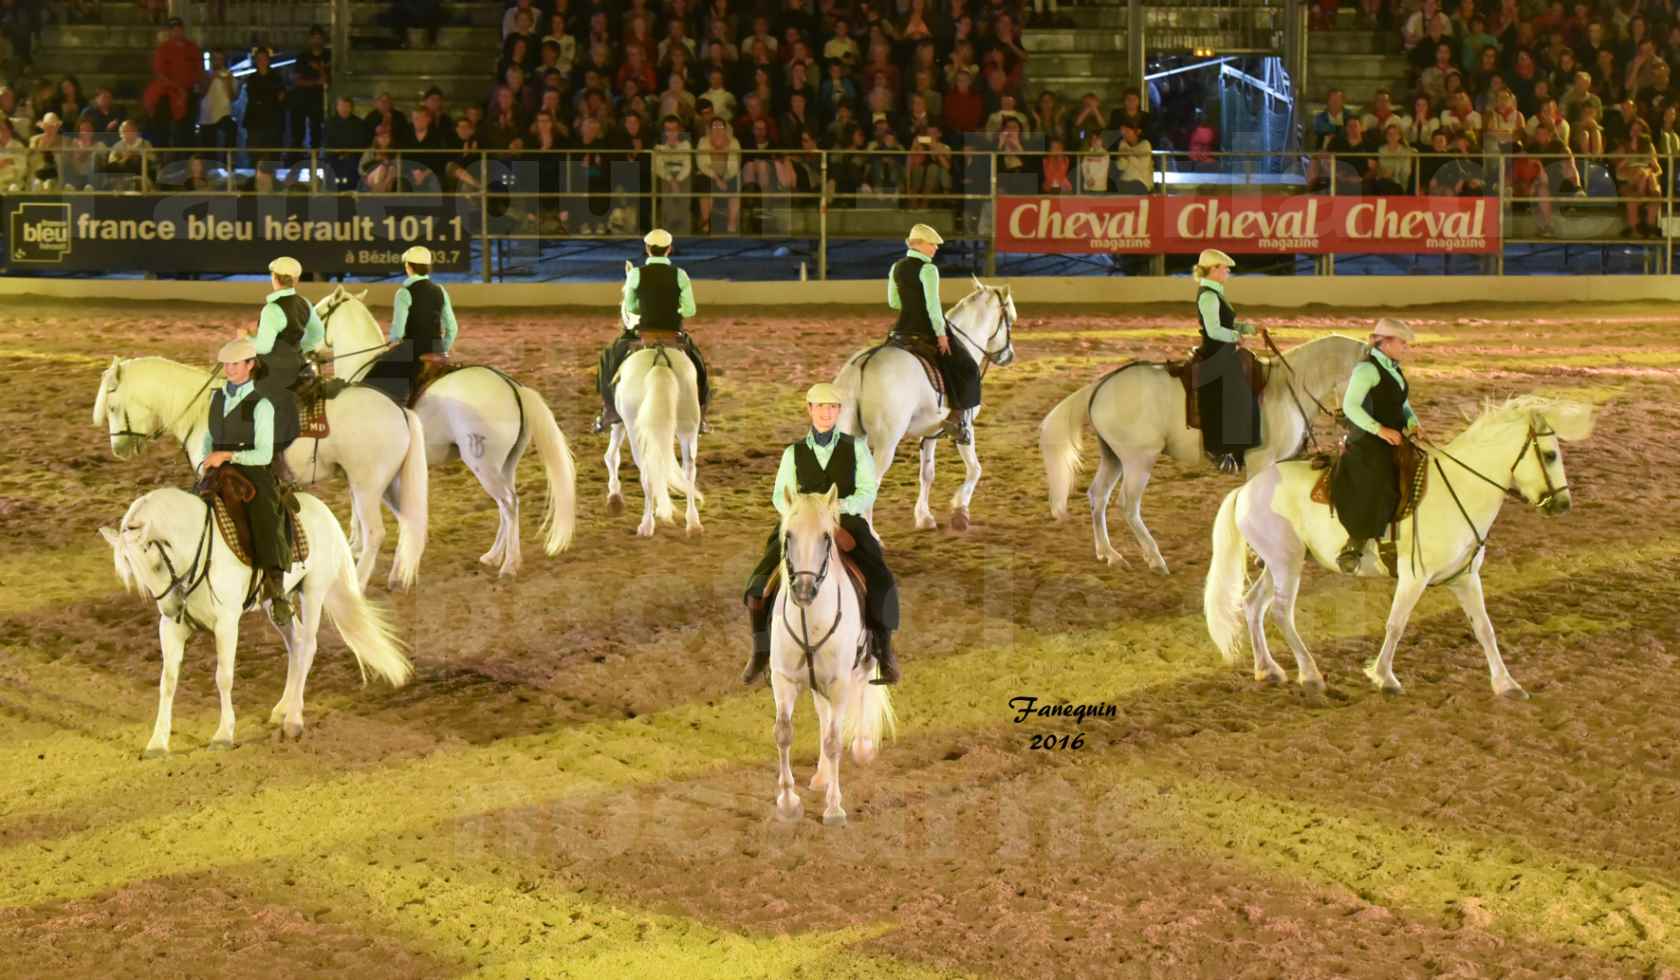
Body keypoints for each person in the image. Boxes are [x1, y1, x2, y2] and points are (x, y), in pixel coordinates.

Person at [740, 382, 900, 686]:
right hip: (800, 522)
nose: (826, 413)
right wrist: (800, 511)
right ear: (809, 410)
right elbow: (779, 495)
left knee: (881, 578)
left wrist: (839, 507)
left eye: (832, 407)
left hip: (845, 521)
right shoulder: (793, 453)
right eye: (820, 407)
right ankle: (760, 652)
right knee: (758, 585)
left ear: (838, 412)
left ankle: (883, 651)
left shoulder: (856, 448)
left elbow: (868, 490)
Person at [199, 337, 296, 624]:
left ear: (251, 365)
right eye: (226, 364)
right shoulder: (217, 398)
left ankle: (277, 589)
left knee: (265, 514)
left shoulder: (262, 405)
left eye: (235, 364)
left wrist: (227, 456)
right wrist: (206, 459)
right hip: (217, 468)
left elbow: (264, 454)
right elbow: (208, 436)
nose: (229, 369)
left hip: (253, 470)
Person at [593, 229, 711, 432]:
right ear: (669, 249)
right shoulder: (680, 274)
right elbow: (690, 309)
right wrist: (675, 310)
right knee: (699, 367)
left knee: (609, 358)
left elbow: (631, 307)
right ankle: (700, 415)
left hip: (644, 334)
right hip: (673, 335)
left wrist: (645, 307)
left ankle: (610, 409)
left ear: (647, 249)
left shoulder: (636, 274)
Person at [1333, 319, 1424, 573]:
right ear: (1385, 343)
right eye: (1402, 342)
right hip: (1368, 441)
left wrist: (1412, 422)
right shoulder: (1367, 370)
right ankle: (1356, 541)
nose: (1406, 347)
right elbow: (1351, 407)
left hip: (1393, 437)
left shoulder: (1392, 368)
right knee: (1378, 481)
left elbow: (1401, 402)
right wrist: (1381, 430)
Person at [887, 223, 979, 444]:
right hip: (925, 330)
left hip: (900, 331)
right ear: (918, 245)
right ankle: (957, 417)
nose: (935, 248)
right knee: (966, 367)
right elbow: (933, 307)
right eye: (932, 244)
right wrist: (940, 334)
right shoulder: (928, 270)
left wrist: (910, 308)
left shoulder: (896, 267)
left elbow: (893, 302)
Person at [1191, 249, 1261, 474]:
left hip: (1222, 351)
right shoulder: (1209, 296)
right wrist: (1235, 337)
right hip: (1216, 353)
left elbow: (1225, 324)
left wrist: (1249, 329)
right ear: (1213, 270)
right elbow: (1213, 331)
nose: (1228, 271)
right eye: (1224, 268)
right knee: (1237, 394)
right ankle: (1221, 450)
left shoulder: (1215, 293)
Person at [362, 246, 460, 404]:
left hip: (411, 351)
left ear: (409, 267)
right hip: (436, 349)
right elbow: (452, 328)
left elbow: (398, 332)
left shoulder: (403, 293)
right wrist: (441, 350)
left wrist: (392, 342)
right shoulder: (440, 291)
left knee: (370, 383)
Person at [246, 257, 325, 451]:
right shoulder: (305, 303)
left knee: (244, 403)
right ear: (295, 280)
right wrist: (300, 348)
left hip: (273, 373)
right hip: (298, 367)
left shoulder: (272, 309)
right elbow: (317, 334)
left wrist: (246, 339)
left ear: (274, 278)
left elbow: (263, 348)